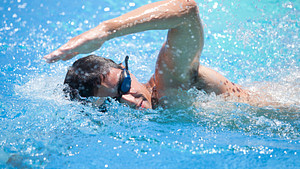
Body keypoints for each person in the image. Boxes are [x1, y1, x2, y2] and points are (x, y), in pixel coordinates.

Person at [43, 0, 250, 109]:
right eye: (114, 102)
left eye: (124, 86)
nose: (130, 101)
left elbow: (187, 11)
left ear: (126, 70)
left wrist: (107, 30)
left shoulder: (170, 82)